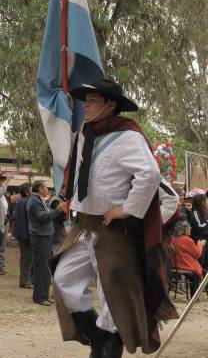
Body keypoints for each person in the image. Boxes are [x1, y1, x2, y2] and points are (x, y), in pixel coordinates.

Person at [51, 79, 178, 357]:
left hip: (113, 230)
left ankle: (108, 345)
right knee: (63, 278)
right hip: (84, 225)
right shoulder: (85, 133)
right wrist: (72, 200)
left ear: (111, 106)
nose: (86, 105)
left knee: (113, 299)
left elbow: (150, 174)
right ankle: (97, 336)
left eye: (93, 100)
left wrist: (127, 209)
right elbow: (85, 175)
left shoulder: (128, 136)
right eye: (85, 100)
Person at [27, 180, 65, 306]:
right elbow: (42, 218)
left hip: (46, 237)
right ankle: (39, 297)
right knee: (40, 268)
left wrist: (57, 210)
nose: (47, 190)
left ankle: (45, 294)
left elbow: (47, 214)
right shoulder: (33, 201)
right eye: (45, 187)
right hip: (39, 237)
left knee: (46, 267)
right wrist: (58, 210)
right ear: (39, 189)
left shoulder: (41, 200)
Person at [170, 220, 206, 292]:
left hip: (176, 265)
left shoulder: (173, 239)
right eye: (189, 227)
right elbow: (198, 254)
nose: (190, 229)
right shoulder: (187, 240)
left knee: (204, 272)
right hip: (186, 265)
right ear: (185, 229)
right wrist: (200, 245)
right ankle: (194, 297)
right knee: (200, 274)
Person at [13, 182, 33, 289]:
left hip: (29, 234)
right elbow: (20, 220)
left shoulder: (28, 201)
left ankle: (27, 279)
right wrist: (25, 236)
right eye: (31, 189)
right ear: (26, 192)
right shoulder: (22, 202)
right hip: (25, 235)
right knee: (26, 258)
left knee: (29, 258)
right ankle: (24, 281)